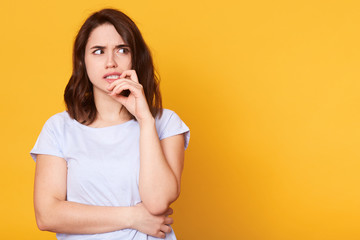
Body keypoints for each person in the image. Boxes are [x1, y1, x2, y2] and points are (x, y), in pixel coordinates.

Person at [30, 8, 190, 240]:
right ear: (82, 61)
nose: (111, 62)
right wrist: (133, 217)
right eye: (98, 51)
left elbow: (157, 202)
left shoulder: (166, 123)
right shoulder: (59, 128)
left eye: (122, 50)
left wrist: (145, 120)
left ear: (135, 57)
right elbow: (47, 216)